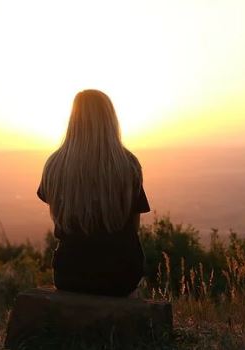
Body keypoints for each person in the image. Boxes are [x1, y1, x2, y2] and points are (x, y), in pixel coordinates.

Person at [37, 89, 151, 297]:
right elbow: (133, 228)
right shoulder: (128, 165)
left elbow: (59, 216)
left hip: (70, 274)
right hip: (121, 275)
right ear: (110, 120)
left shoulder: (55, 165)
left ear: (73, 119)